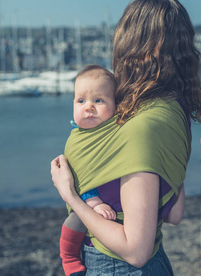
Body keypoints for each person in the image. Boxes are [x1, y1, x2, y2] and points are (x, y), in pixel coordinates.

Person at [51, 0, 201, 275]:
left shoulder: (140, 125)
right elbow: (173, 214)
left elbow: (136, 251)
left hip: (118, 267)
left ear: (128, 44)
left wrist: (70, 194)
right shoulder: (173, 111)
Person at [60, 64, 118, 276]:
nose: (89, 107)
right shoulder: (78, 139)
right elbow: (78, 177)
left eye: (99, 100)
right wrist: (94, 202)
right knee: (74, 222)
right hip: (86, 200)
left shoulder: (114, 132)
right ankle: (69, 259)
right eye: (81, 101)